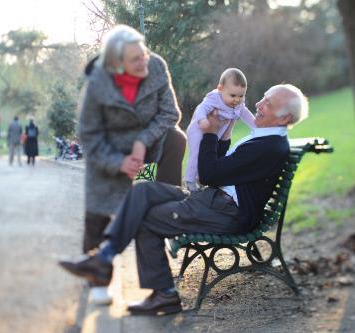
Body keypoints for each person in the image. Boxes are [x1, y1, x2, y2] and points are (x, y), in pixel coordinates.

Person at [59, 84, 309, 315]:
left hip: (226, 213)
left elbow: (210, 173)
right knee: (143, 191)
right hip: (214, 201)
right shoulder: (265, 138)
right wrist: (222, 132)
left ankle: (163, 294)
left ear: (284, 118)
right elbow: (225, 169)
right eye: (263, 98)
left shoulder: (267, 147)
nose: (258, 105)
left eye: (268, 104)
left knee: (146, 218)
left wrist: (210, 134)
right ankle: (104, 257)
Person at [76, 25, 186, 304]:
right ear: (116, 65)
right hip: (110, 149)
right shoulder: (98, 83)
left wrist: (142, 140)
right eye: (135, 59)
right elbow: (88, 135)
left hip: (149, 141)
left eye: (144, 53)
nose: (144, 61)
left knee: (175, 138)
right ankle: (98, 277)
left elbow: (170, 113)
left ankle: (167, 208)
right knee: (98, 209)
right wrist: (117, 162)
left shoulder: (156, 66)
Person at [185, 68, 255, 191]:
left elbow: (245, 113)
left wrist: (256, 126)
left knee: (212, 155)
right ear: (220, 89)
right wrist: (202, 119)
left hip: (217, 131)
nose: (237, 99)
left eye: (241, 95)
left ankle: (200, 178)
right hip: (199, 128)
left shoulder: (238, 103)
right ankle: (189, 180)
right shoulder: (215, 98)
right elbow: (202, 108)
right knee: (196, 153)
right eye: (233, 95)